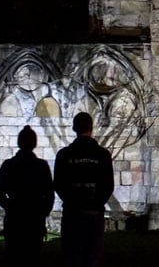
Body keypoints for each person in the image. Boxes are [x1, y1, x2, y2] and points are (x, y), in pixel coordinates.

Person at [54, 112, 114, 267]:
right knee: (92, 257)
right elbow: (108, 185)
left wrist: (72, 200)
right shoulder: (103, 155)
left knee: (72, 256)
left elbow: (59, 184)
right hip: (94, 213)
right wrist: (96, 203)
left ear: (74, 128)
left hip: (72, 213)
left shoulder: (64, 155)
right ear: (91, 128)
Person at [0, 125, 54, 267]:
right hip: (34, 217)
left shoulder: (9, 165)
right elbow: (49, 194)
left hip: (15, 217)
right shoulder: (41, 166)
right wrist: (43, 212)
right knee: (32, 256)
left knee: (14, 256)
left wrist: (11, 207)